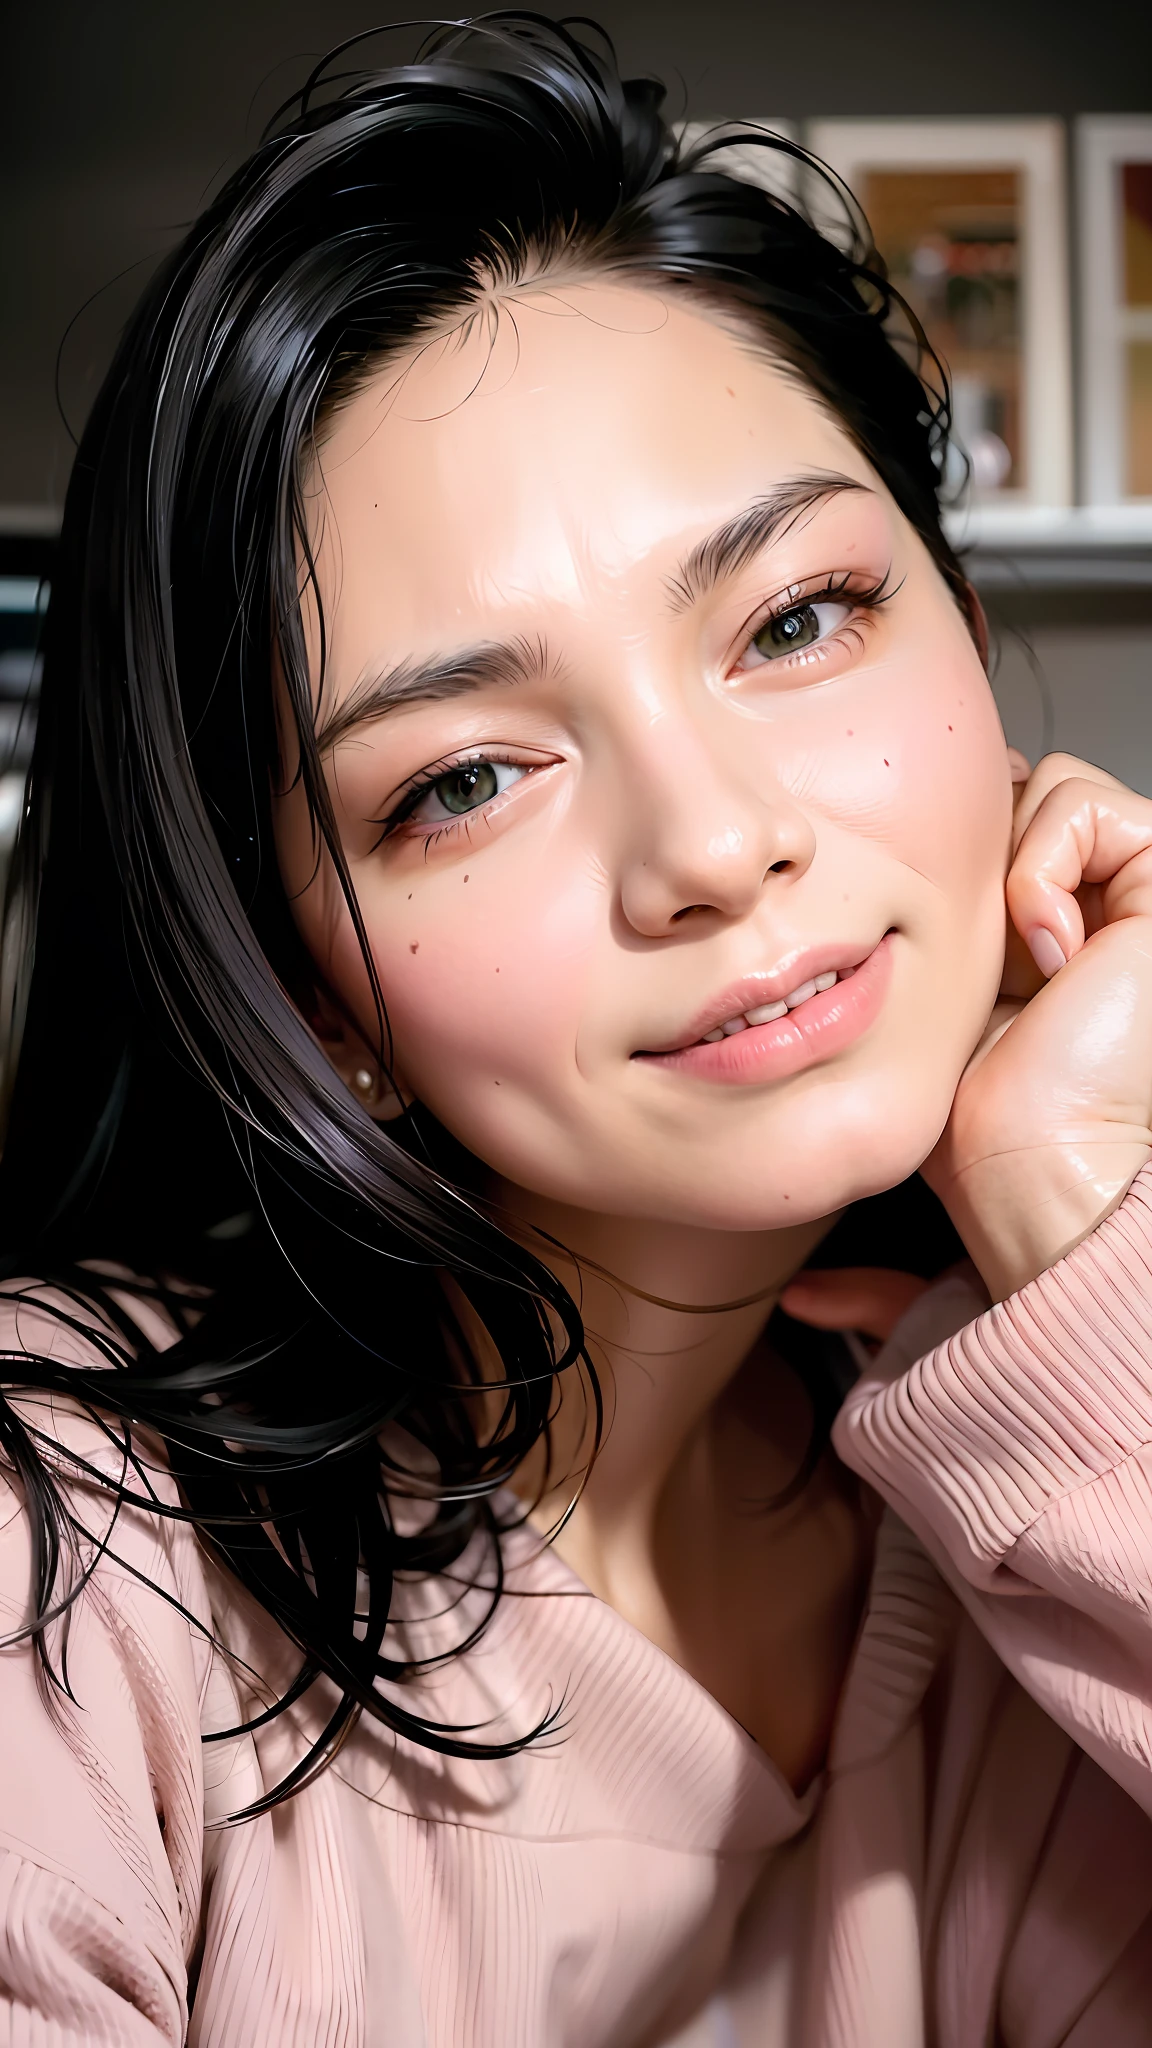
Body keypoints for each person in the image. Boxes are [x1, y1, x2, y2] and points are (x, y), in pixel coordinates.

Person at [2, 16, 1152, 2045]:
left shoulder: (1048, 1531)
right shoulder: (64, 1549)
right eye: (461, 779)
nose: (713, 841)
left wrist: (1083, 1239)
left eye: (797, 619)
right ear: (303, 980)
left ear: (971, 642)